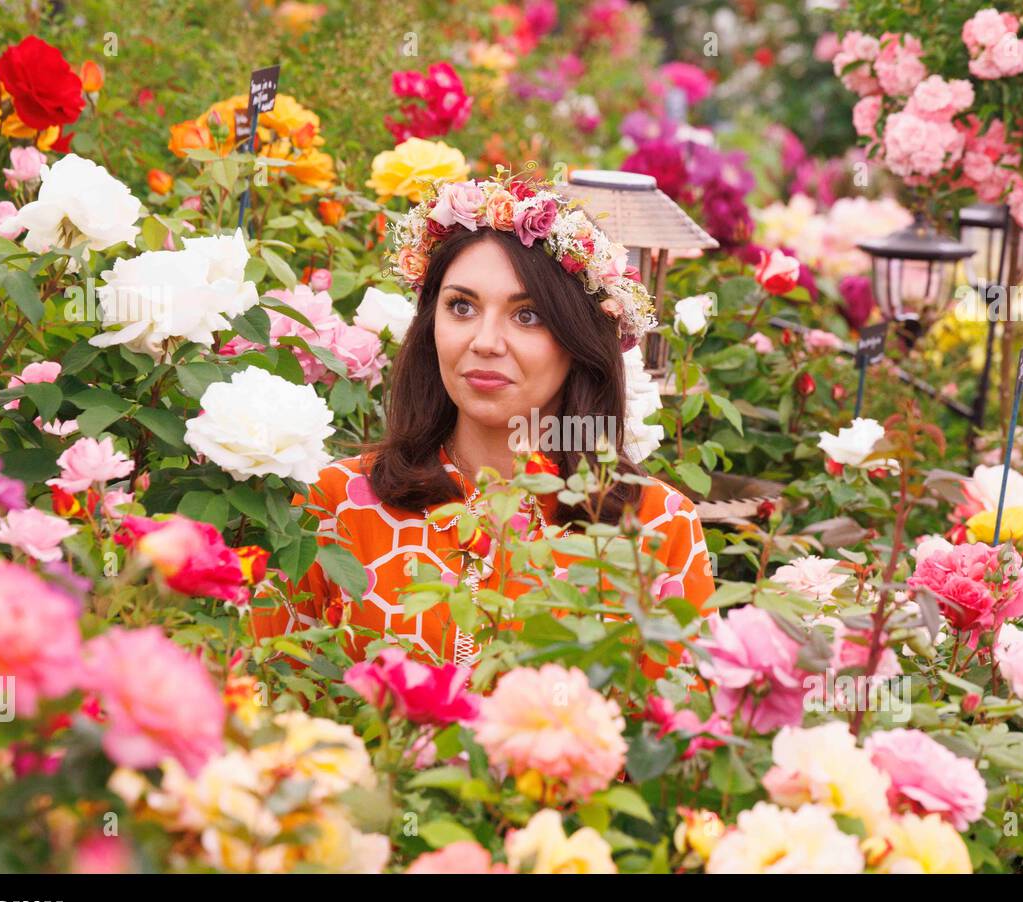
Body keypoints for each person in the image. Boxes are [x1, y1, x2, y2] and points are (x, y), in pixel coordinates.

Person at [251, 174, 715, 673]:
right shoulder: (338, 501)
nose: (486, 341)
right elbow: (271, 700)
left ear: (579, 339)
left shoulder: (657, 525)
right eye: (462, 307)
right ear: (431, 325)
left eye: (528, 315)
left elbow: (677, 732)